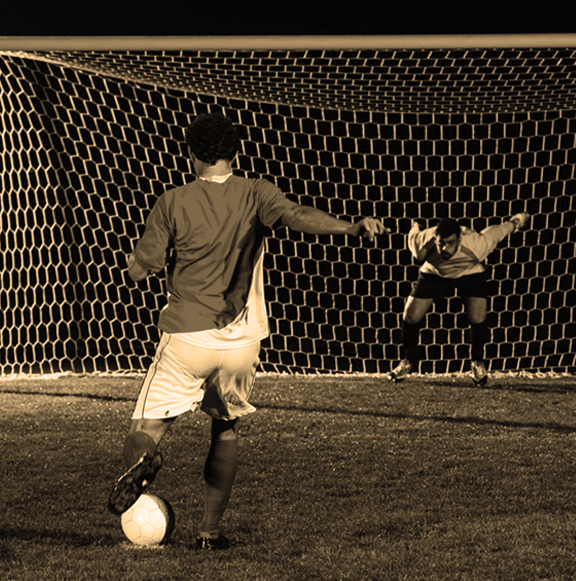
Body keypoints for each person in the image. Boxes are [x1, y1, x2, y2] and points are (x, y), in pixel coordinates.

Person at [106, 112, 388, 550]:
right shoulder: (257, 191)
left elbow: (141, 271)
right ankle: (209, 532)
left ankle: (146, 459)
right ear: (235, 151)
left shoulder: (173, 201)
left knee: (147, 427)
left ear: (190, 152)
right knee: (225, 428)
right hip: (241, 342)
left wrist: (134, 266)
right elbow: (297, 216)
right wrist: (350, 227)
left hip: (188, 339)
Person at [388, 212, 529, 386]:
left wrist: (515, 222)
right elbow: (414, 233)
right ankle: (408, 361)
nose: (445, 249)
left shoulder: (476, 245)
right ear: (435, 239)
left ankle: (477, 362)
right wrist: (415, 224)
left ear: (459, 240)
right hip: (434, 272)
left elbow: (497, 231)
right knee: (410, 316)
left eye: (451, 243)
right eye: (441, 243)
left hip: (470, 273)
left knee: (477, 318)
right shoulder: (422, 246)